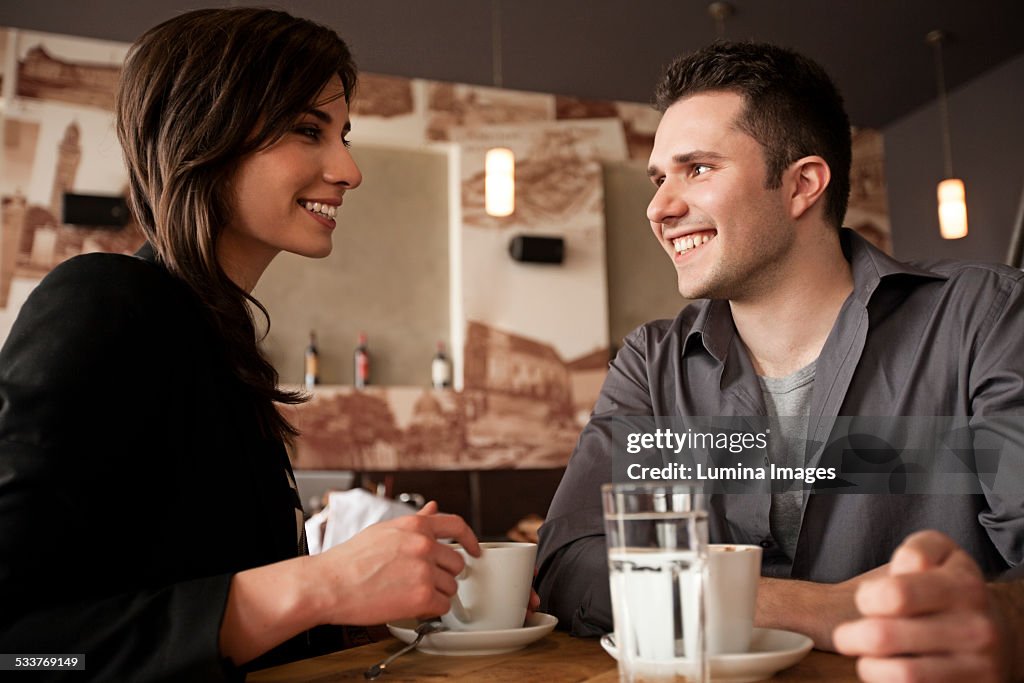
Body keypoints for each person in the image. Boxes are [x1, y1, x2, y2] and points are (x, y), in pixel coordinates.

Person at [0, 8, 482, 681]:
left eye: (342, 134)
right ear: (207, 132)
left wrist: (351, 606)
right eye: (309, 130)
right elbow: (20, 650)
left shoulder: (219, 341)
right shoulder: (102, 303)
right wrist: (318, 586)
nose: (349, 169)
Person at [535, 41, 1024, 681]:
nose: (658, 208)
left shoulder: (985, 317)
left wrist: (1002, 622)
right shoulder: (652, 362)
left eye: (699, 169)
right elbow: (572, 562)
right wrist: (815, 608)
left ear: (801, 184)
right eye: (659, 178)